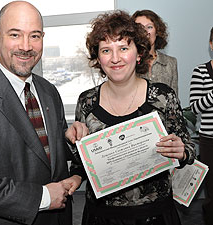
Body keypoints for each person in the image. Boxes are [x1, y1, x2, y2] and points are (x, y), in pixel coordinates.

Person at [0, 1, 87, 225]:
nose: (26, 46)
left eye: (35, 36)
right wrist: (43, 197)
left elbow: (43, 151)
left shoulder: (48, 90)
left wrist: (68, 139)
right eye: (15, 34)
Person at [69, 10, 195, 225]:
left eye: (124, 48)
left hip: (155, 215)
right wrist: (72, 143)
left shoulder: (163, 97)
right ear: (98, 59)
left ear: (139, 54)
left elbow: (188, 149)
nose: (115, 58)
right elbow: (82, 163)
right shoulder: (87, 101)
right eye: (106, 50)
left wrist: (182, 152)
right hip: (102, 216)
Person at [189, 27, 213, 225]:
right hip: (209, 140)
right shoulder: (201, 71)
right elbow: (195, 107)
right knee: (212, 191)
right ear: (211, 44)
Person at [132, 9, 179, 96]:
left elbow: (174, 100)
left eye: (149, 27)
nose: (145, 32)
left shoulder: (170, 63)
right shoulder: (128, 62)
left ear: (157, 31)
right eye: (140, 27)